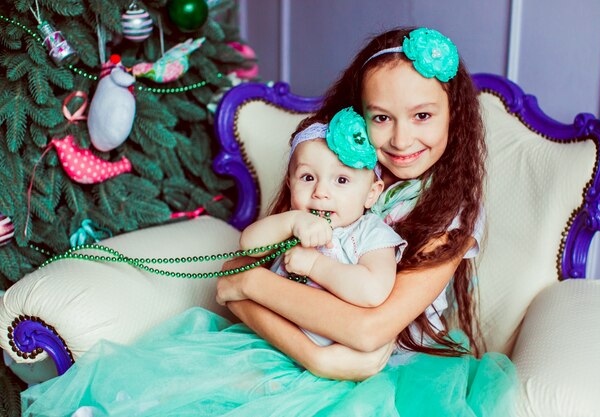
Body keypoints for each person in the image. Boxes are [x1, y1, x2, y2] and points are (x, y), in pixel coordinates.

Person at [21, 27, 516, 417]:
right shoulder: (334, 174)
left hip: (392, 374)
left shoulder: (449, 218)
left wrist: (254, 288)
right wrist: (269, 308)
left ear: (456, 116)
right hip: (296, 348)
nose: (401, 138)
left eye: (423, 116)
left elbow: (365, 335)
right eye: (381, 117)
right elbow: (230, 283)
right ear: (356, 115)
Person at [240, 112, 407, 346]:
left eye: (341, 180)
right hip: (269, 342)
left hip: (335, 355)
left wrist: (314, 265)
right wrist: (292, 222)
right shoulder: (292, 222)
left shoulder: (371, 233)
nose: (320, 191)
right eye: (307, 177)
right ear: (290, 183)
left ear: (371, 193)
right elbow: (249, 245)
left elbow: (372, 291)